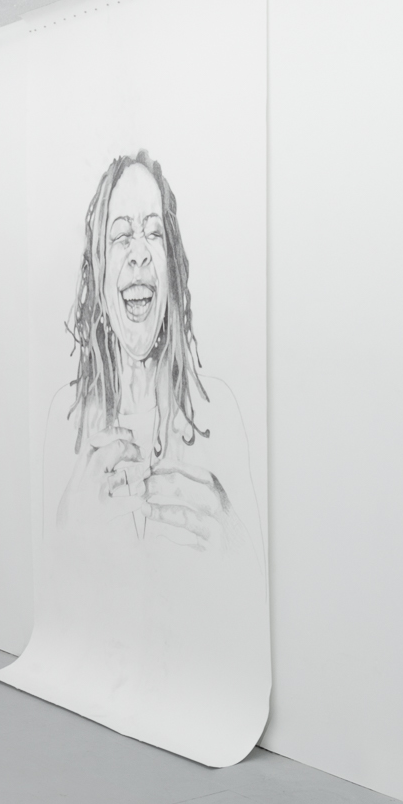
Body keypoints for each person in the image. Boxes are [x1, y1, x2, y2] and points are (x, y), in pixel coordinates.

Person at [52, 152, 245, 553]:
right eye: (122, 235)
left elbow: (254, 575)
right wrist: (68, 534)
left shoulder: (219, 411)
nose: (139, 253)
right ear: (99, 272)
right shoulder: (63, 420)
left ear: (171, 267)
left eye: (154, 233)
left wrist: (230, 537)